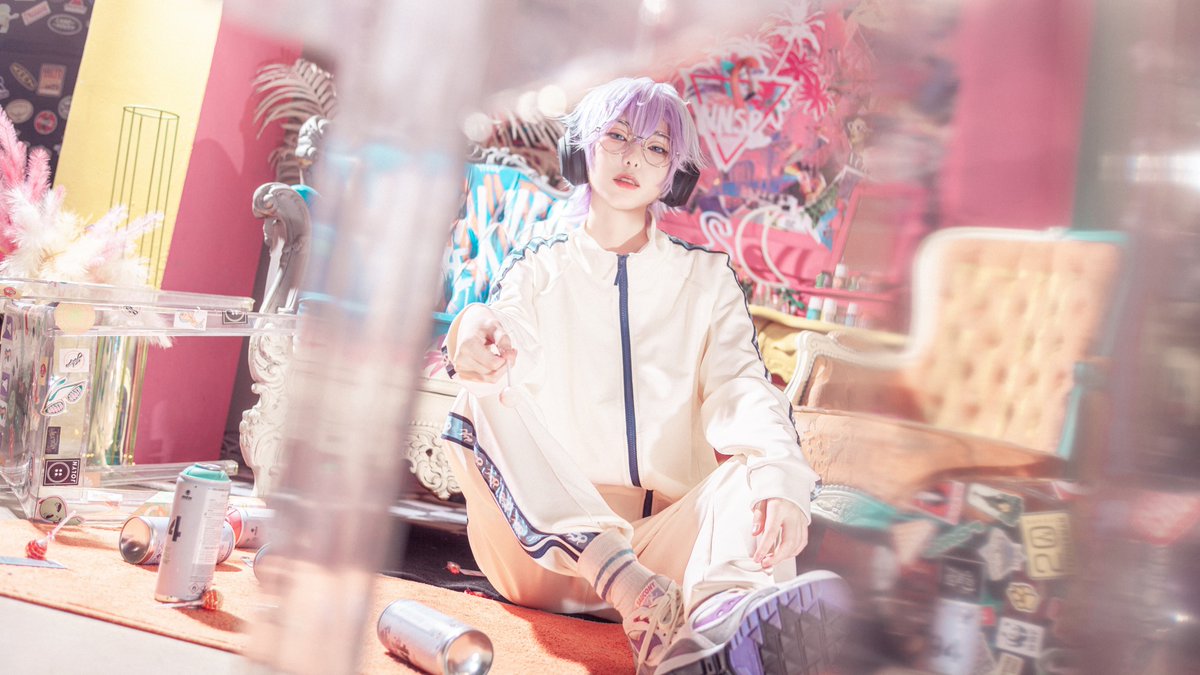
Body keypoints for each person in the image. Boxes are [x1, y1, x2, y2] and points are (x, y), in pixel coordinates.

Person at [440, 77, 850, 674]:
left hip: (665, 559)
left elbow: (741, 387)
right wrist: (473, 334)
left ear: (674, 176)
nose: (633, 157)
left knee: (757, 467)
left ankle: (718, 630)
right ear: (582, 150)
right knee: (481, 395)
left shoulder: (706, 282)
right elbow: (502, 332)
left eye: (656, 148)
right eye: (617, 136)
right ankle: (638, 593)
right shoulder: (538, 269)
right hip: (544, 559)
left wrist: (779, 479)